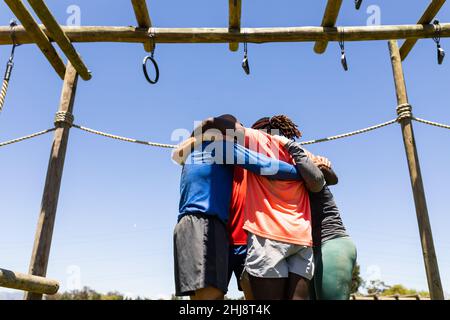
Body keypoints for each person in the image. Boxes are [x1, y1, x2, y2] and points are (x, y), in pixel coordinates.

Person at [172, 115, 304, 300]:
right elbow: (265, 165)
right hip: (204, 225)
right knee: (210, 297)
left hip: (200, 226)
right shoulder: (220, 147)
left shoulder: (199, 150)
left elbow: (178, 153)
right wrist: (303, 171)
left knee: (205, 296)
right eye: (239, 130)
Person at [252, 116, 357, 300]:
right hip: (308, 248)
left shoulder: (301, 160)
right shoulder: (282, 168)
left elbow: (323, 180)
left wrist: (293, 147)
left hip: (330, 242)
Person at [240, 116, 324, 300]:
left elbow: (226, 128)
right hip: (300, 237)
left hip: (269, 235)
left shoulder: (257, 143)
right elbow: (323, 179)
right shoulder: (301, 153)